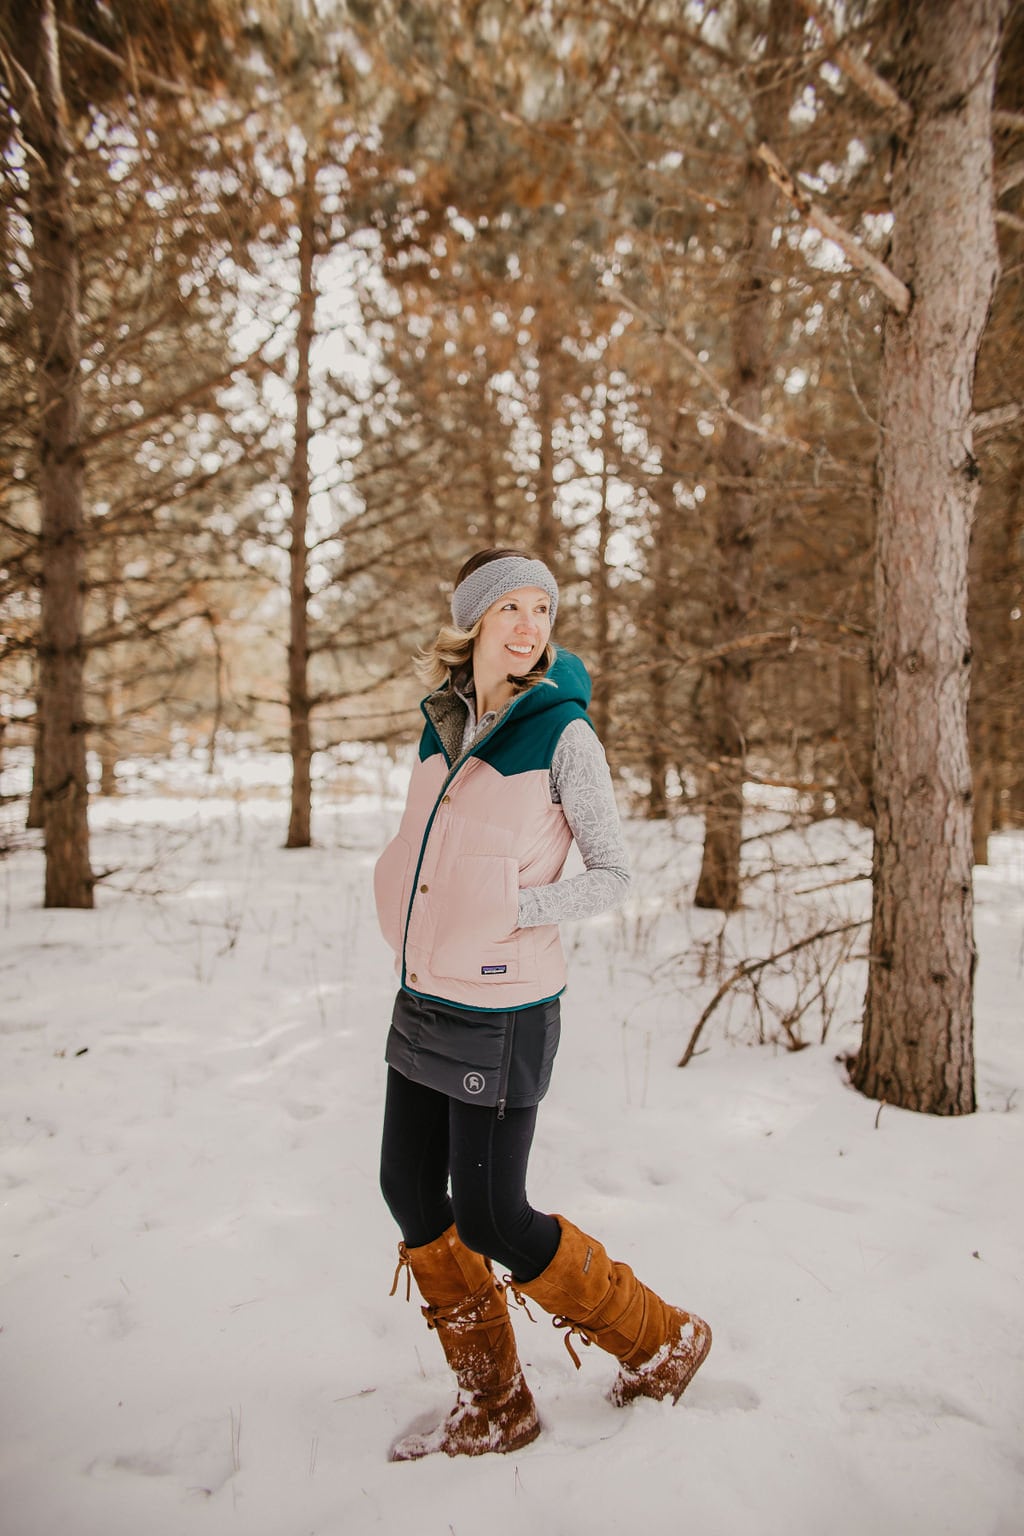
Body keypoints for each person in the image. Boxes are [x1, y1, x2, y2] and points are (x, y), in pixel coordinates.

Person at [374, 547, 711, 1461]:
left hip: (504, 1008)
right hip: (423, 991)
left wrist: (514, 912)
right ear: (473, 621)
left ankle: (658, 1337)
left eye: (542, 611)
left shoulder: (564, 734)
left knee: (490, 1214)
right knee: (408, 1189)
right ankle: (496, 1398)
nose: (529, 627)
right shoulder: (440, 723)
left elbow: (613, 875)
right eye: (511, 608)